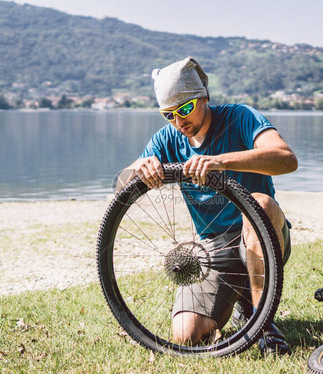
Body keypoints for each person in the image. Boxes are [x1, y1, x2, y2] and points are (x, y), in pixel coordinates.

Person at [119, 57, 298, 354]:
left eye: (185, 109)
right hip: (214, 249)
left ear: (204, 97)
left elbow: (286, 159)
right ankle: (242, 305)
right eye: (169, 115)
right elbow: (119, 189)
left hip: (262, 234)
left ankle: (262, 323)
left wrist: (220, 162)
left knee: (261, 204)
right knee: (186, 335)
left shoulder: (240, 117)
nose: (179, 121)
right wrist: (138, 168)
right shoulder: (166, 140)